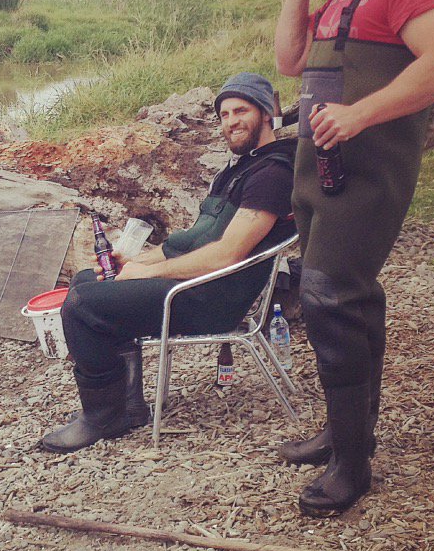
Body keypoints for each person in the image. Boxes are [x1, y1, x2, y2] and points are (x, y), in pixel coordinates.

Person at [274, 0, 434, 517]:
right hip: (319, 169)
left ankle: (351, 464)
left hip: (367, 168)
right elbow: (290, 62)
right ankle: (345, 431)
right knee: (336, 299)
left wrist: (359, 115)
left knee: (331, 297)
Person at [40, 72, 296, 453]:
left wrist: (148, 272)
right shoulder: (237, 170)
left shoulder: (272, 173)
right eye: (224, 114)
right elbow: (191, 241)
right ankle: (128, 406)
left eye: (241, 110)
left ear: (264, 112)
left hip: (211, 300)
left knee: (81, 307)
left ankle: (100, 417)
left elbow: (228, 254)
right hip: (198, 284)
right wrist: (133, 260)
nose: (231, 122)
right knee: (84, 281)